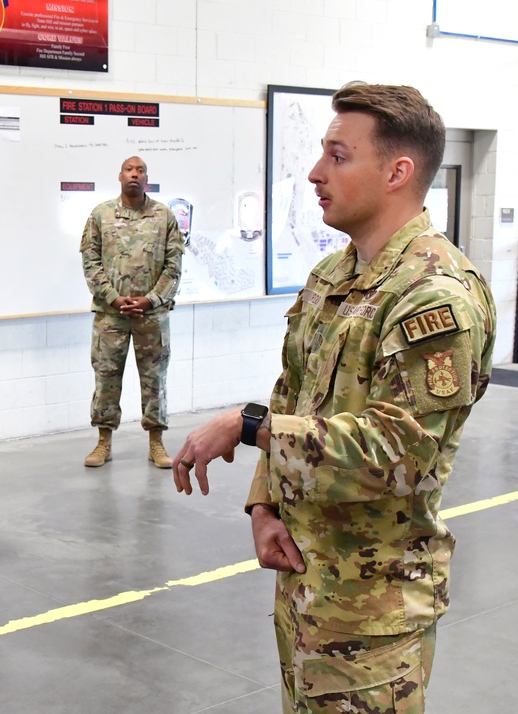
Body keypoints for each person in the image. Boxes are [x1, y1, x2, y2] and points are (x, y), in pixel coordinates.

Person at [171, 83, 496, 712]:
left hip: (373, 613)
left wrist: (248, 426)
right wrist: (265, 504)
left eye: (339, 156)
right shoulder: (333, 276)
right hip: (305, 588)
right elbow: (292, 393)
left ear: (398, 172)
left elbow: (397, 453)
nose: (316, 173)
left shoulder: (435, 295)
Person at [80, 156, 184, 469]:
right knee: (106, 379)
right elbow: (90, 261)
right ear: (120, 176)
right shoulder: (101, 215)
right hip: (111, 317)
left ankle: (156, 444)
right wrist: (112, 298)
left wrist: (151, 299)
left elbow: (174, 265)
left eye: (140, 171)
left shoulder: (164, 216)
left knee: (155, 382)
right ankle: (103, 443)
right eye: (129, 170)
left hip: (151, 317)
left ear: (146, 178)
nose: (134, 175)